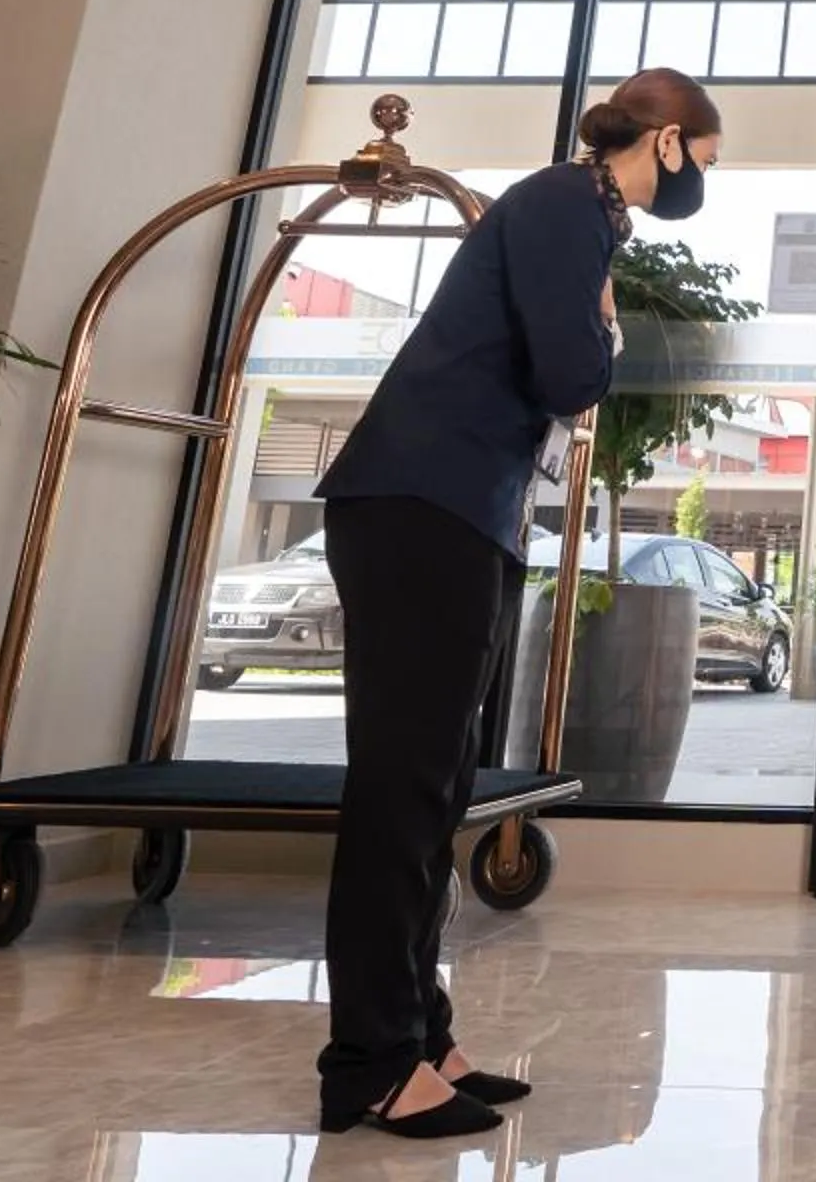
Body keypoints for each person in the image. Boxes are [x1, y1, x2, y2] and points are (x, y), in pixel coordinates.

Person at [310, 67, 723, 1138]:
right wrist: (607, 334)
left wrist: (598, 324)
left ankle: (423, 1035)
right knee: (402, 790)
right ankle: (367, 1059)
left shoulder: (586, 216)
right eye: (704, 162)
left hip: (460, 511)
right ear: (666, 140)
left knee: (438, 787)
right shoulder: (562, 203)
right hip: (418, 505)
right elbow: (572, 375)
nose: (699, 185)